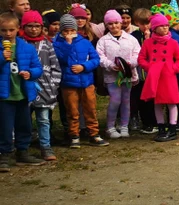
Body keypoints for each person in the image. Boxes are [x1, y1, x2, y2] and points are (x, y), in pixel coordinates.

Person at [54, 14, 107, 147]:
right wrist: (68, 45)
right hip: (68, 83)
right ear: (61, 31)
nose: (70, 34)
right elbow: (61, 59)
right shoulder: (57, 44)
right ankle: (74, 135)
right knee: (72, 110)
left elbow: (96, 59)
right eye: (66, 31)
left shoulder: (85, 42)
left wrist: (84, 66)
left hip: (86, 81)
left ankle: (94, 134)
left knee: (90, 108)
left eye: (72, 31)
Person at [0, 11, 44, 169]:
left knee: (24, 124)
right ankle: (4, 154)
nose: (7, 33)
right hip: (4, 95)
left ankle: (23, 152)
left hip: (23, 93)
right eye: (3, 30)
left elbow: (38, 68)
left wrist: (30, 73)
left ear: (18, 29)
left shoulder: (26, 47)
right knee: (5, 126)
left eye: (11, 30)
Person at [138, 13, 179, 142]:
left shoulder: (173, 43)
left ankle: (173, 128)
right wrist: (150, 68)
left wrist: (173, 69)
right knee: (157, 102)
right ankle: (160, 128)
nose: (165, 28)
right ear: (154, 28)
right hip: (155, 77)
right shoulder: (148, 43)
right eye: (161, 26)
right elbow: (141, 59)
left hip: (168, 76)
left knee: (172, 102)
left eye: (166, 25)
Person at [96, 10, 141, 139]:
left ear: (120, 23)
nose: (114, 26)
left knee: (126, 100)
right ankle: (110, 127)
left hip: (128, 75)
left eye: (116, 23)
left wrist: (130, 63)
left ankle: (124, 126)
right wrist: (110, 65)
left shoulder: (130, 39)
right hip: (112, 76)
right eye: (110, 24)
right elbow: (100, 56)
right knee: (115, 100)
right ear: (106, 25)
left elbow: (137, 54)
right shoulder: (103, 41)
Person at [22, 10, 60, 160]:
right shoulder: (19, 44)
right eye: (30, 26)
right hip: (24, 89)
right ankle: (23, 148)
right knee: (24, 120)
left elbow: (55, 67)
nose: (34, 29)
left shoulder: (47, 45)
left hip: (45, 89)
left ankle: (46, 147)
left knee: (43, 120)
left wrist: (53, 85)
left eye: (37, 26)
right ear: (23, 26)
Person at [130, 8, 157, 134]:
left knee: (154, 99)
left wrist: (149, 40)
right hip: (139, 73)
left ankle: (156, 122)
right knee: (142, 99)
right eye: (143, 23)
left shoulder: (156, 34)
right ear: (137, 23)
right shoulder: (133, 37)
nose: (146, 26)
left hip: (153, 72)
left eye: (148, 23)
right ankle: (146, 123)